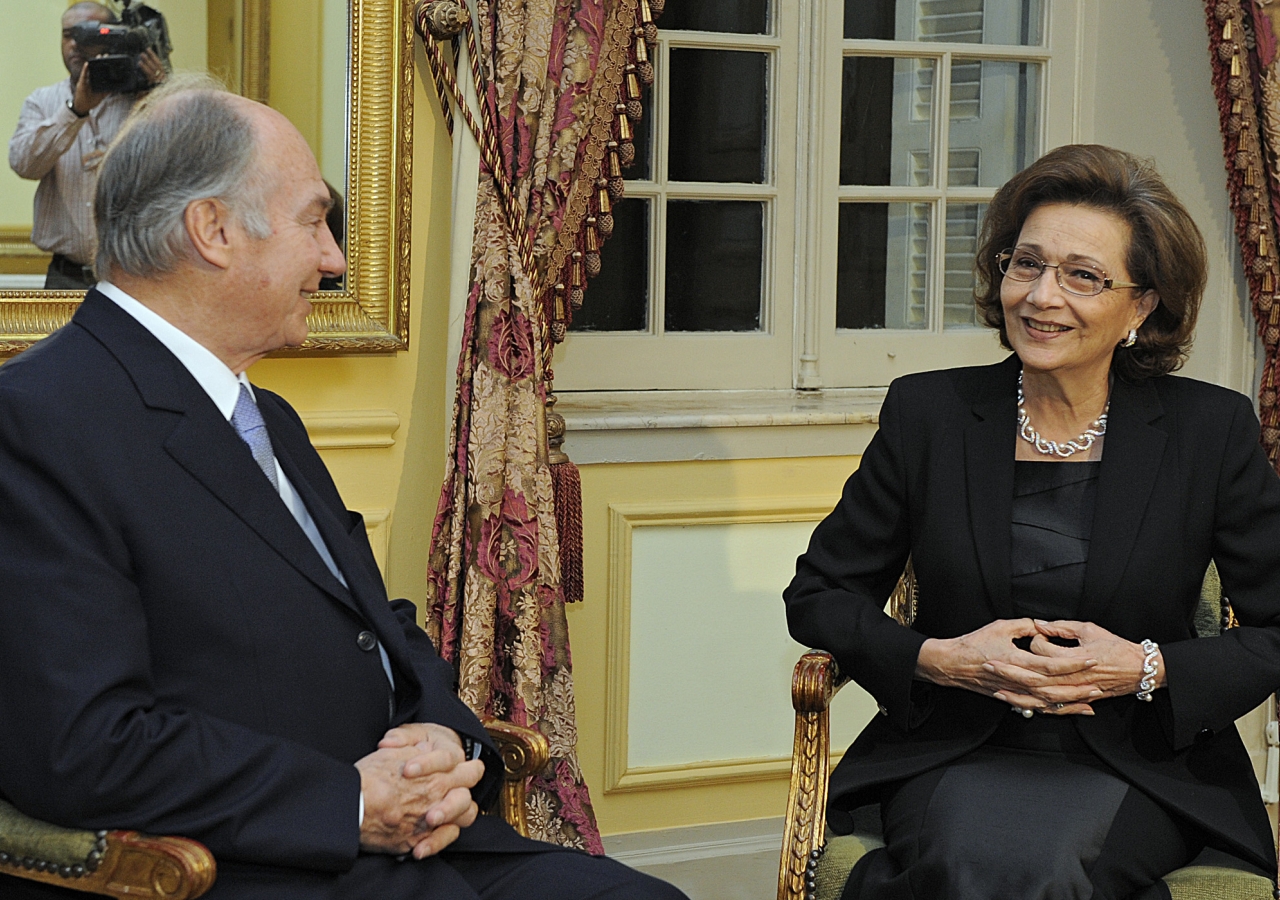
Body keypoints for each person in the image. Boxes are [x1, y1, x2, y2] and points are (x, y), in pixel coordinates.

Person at [0, 79, 685, 900]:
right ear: (213, 231)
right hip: (236, 866)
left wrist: (443, 736)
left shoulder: (268, 417)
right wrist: (353, 801)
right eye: (315, 220)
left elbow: (373, 624)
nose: (333, 259)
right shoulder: (36, 422)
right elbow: (82, 745)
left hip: (411, 846)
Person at [785, 144, 1280, 900]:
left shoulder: (1209, 430)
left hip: (1139, 760)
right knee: (989, 865)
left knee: (1042, 870)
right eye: (1027, 264)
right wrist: (939, 659)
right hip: (954, 747)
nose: (1042, 296)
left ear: (1140, 307)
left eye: (1083, 276)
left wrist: (1146, 667)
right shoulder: (932, 415)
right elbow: (818, 594)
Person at [8, 1, 165, 290]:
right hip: (64, 276)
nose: (76, 44)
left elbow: (178, 169)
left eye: (89, 34)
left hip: (132, 276)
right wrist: (75, 112)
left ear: (116, 36)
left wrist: (161, 91)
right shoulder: (42, 102)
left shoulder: (147, 101)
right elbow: (24, 165)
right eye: (68, 35)